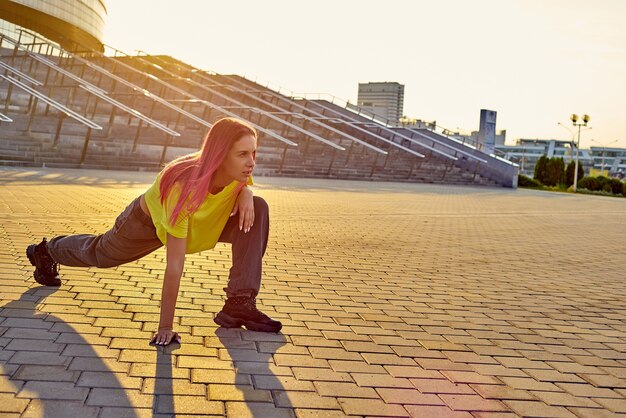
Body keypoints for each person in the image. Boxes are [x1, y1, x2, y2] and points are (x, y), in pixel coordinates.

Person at [26, 117, 282, 346]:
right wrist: (166, 327)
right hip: (144, 224)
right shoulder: (183, 186)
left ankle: (239, 302)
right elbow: (174, 265)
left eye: (254, 153)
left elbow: (247, 184)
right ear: (221, 155)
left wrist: (248, 192)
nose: (251, 162)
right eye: (243, 154)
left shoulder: (239, 173)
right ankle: (46, 251)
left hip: (198, 224)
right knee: (100, 255)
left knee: (258, 208)